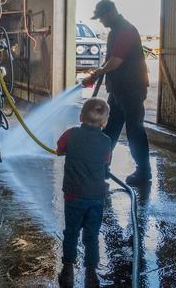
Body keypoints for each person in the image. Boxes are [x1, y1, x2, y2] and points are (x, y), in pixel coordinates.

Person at [82, 0, 151, 185]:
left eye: (102, 17)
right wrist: (99, 74)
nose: (101, 22)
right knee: (110, 130)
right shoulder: (115, 31)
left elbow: (117, 60)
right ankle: (102, 166)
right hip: (119, 89)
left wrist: (97, 72)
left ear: (110, 12)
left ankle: (144, 173)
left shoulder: (125, 30)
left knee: (135, 130)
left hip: (132, 89)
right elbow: (112, 61)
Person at [56, 98, 112, 288]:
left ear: (80, 117)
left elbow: (59, 149)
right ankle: (90, 274)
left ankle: (68, 272)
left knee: (71, 233)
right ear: (104, 123)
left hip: (73, 196)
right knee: (91, 235)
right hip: (96, 198)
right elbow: (105, 163)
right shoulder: (106, 142)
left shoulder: (71, 134)